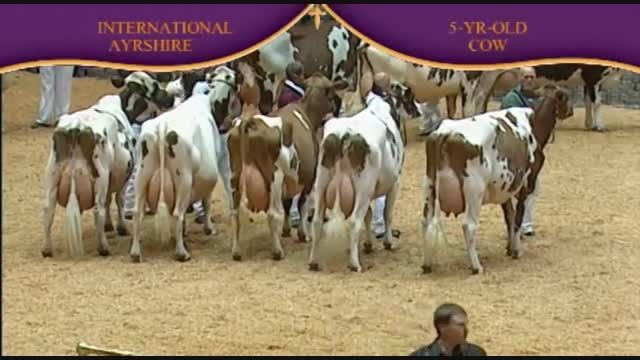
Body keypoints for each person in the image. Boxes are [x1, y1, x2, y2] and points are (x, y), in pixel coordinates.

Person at [500, 66, 539, 237]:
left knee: (533, 187)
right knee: (518, 189)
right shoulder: (512, 99)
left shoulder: (534, 98)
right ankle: (519, 224)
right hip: (514, 152)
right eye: (526, 77)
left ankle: (525, 223)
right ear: (519, 79)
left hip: (529, 150)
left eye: (531, 77)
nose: (529, 80)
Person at [278, 62, 306, 228]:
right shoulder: (291, 95)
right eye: (301, 75)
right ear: (296, 76)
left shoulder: (287, 90)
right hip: (293, 137)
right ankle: (294, 212)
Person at [409, 303, 487, 356]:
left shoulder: (476, 353)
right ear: (442, 327)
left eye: (465, 324)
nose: (466, 329)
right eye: (460, 325)